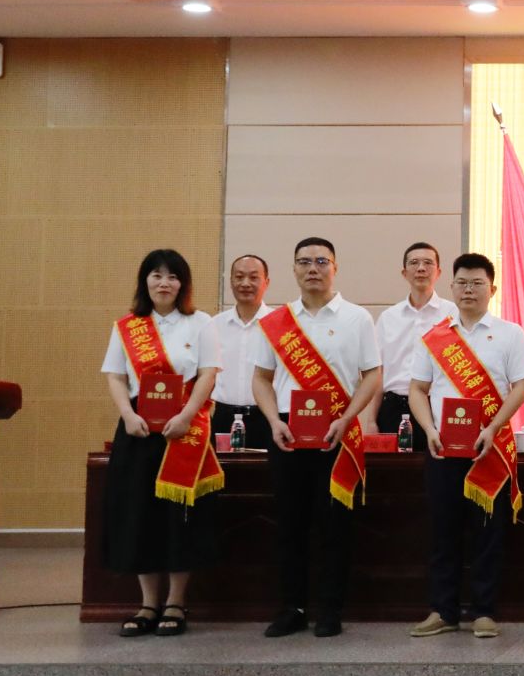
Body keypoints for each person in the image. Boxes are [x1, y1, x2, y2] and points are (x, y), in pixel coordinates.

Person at [250, 237, 383, 638]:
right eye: (304, 261)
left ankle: (330, 609)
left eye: (321, 261)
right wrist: (273, 422)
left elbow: (372, 375)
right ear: (293, 269)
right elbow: (261, 379)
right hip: (288, 432)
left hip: (337, 429)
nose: (313, 268)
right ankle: (291, 608)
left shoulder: (357, 318)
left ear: (335, 268)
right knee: (290, 524)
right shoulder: (277, 322)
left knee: (334, 524)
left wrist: (348, 417)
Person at [407, 253, 524, 640]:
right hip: (443, 448)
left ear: (491, 289)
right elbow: (417, 389)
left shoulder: (510, 333)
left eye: (477, 283)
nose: (468, 290)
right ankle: (442, 610)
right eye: (462, 283)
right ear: (451, 287)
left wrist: (494, 427)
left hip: (490, 448)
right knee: (442, 531)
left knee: (488, 532)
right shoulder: (435, 337)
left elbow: (522, 386)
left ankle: (484, 611)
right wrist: (428, 429)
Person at [99, 248, 220, 638]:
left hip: (184, 427)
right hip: (138, 429)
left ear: (183, 284)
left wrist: (186, 416)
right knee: (140, 514)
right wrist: (127, 414)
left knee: (179, 516)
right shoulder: (128, 326)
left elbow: (207, 374)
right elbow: (116, 376)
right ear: (145, 281)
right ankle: (148, 603)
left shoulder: (201, 323)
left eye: (172, 276)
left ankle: (176, 602)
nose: (164, 283)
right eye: (156, 275)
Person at [373, 242, 455, 433]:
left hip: (438, 407)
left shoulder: (453, 314)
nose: (421, 268)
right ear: (404, 273)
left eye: (428, 263)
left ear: (438, 272)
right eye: (414, 263)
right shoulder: (388, 317)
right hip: (394, 407)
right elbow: (378, 373)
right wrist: (370, 420)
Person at [202, 253, 274, 451]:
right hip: (223, 417)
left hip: (268, 418)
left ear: (266, 282)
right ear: (230, 281)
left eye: (253, 277)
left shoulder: (279, 324)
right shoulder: (214, 325)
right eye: (239, 277)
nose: (245, 283)